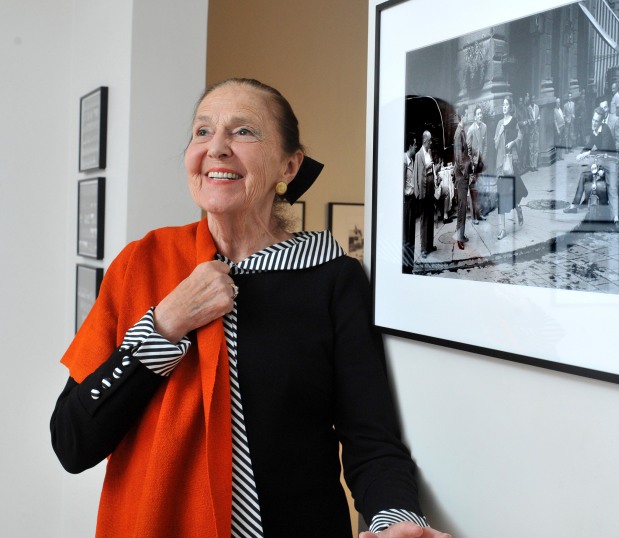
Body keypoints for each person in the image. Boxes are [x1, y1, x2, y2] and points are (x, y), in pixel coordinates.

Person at [50, 78, 450, 538]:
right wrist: (163, 327)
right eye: (202, 132)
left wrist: (394, 518)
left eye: (244, 132)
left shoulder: (332, 279)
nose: (217, 147)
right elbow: (71, 440)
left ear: (289, 164)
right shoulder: (142, 264)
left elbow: (372, 438)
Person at [563, 106, 619, 221]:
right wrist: (581, 153)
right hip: (600, 160)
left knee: (612, 188)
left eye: (597, 121)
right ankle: (574, 205)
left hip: (611, 160)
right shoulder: (594, 130)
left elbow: (603, 148)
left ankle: (615, 218)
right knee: (584, 175)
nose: (594, 123)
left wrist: (587, 153)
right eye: (593, 120)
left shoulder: (605, 130)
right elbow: (589, 144)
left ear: (602, 121)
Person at [494, 97, 528, 239]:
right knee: (502, 196)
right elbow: (495, 144)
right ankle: (502, 229)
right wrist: (501, 132)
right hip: (502, 164)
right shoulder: (499, 124)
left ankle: (518, 208)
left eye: (507, 104)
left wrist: (513, 143)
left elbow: (520, 137)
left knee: (515, 191)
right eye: (503, 104)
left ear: (510, 107)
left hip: (512, 163)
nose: (505, 106)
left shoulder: (514, 121)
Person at [413, 130, 437, 258]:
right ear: (425, 141)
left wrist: (434, 171)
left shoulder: (429, 152)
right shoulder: (418, 155)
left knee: (430, 216)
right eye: (430, 140)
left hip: (430, 187)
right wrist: (417, 193)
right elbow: (417, 174)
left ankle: (429, 245)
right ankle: (423, 248)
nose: (431, 143)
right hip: (423, 189)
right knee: (424, 219)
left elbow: (431, 169)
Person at [453, 109, 471, 250]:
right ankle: (459, 238)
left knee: (463, 207)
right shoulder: (459, 133)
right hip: (461, 176)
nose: (468, 116)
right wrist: (465, 172)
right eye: (467, 114)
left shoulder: (462, 131)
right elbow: (459, 158)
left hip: (463, 175)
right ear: (462, 116)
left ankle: (461, 235)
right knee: (461, 207)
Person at [466, 106, 487, 224]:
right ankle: (474, 217)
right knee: (473, 189)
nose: (480, 115)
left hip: (481, 162)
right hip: (473, 164)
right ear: (474, 117)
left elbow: (486, 145)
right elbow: (468, 149)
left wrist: (483, 158)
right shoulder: (471, 130)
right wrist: (472, 163)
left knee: (481, 188)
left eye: (481, 113)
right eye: (478, 114)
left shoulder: (484, 127)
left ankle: (480, 213)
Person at [402, 132, 417, 273]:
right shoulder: (404, 161)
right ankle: (405, 267)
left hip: (411, 201)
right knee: (406, 236)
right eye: (415, 144)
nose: (416, 147)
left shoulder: (411, 161)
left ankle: (409, 266)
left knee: (411, 236)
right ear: (410, 145)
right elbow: (401, 184)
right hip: (406, 202)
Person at [525, 94, 540, 172]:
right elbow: (527, 119)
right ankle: (532, 166)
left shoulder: (537, 107)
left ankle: (535, 165)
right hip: (531, 130)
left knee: (536, 148)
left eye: (534, 99)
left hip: (536, 130)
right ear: (530, 101)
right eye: (532, 100)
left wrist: (537, 120)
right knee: (531, 148)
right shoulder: (528, 109)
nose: (533, 101)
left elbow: (539, 116)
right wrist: (531, 121)